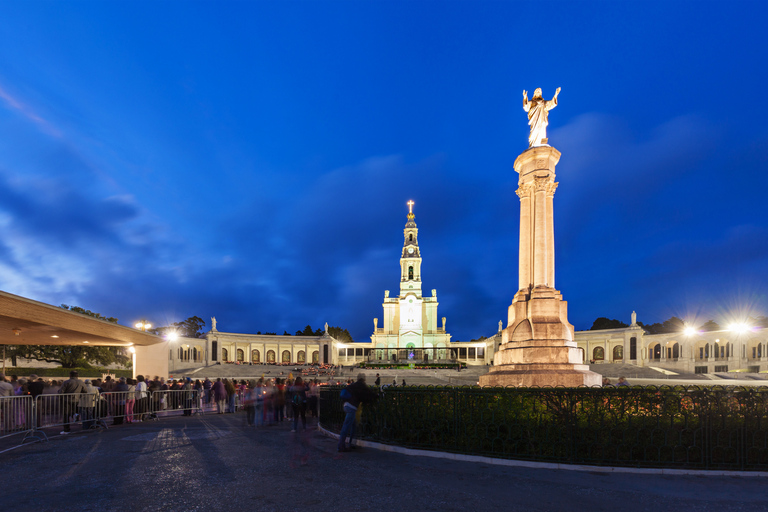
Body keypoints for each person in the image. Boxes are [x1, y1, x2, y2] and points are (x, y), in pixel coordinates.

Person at [338, 373, 378, 452]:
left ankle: (352, 443)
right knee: (346, 426)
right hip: (351, 407)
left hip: (346, 405)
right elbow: (369, 394)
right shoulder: (362, 386)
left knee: (354, 425)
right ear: (364, 379)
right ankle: (341, 446)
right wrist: (377, 395)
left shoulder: (353, 385)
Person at [59, 370, 85, 434]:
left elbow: (61, 392)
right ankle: (76, 415)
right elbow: (85, 391)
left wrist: (61, 398)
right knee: (75, 410)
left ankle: (66, 429)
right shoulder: (81, 382)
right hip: (76, 399)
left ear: (70, 375)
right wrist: (79, 396)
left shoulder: (66, 382)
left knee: (66, 414)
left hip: (67, 400)